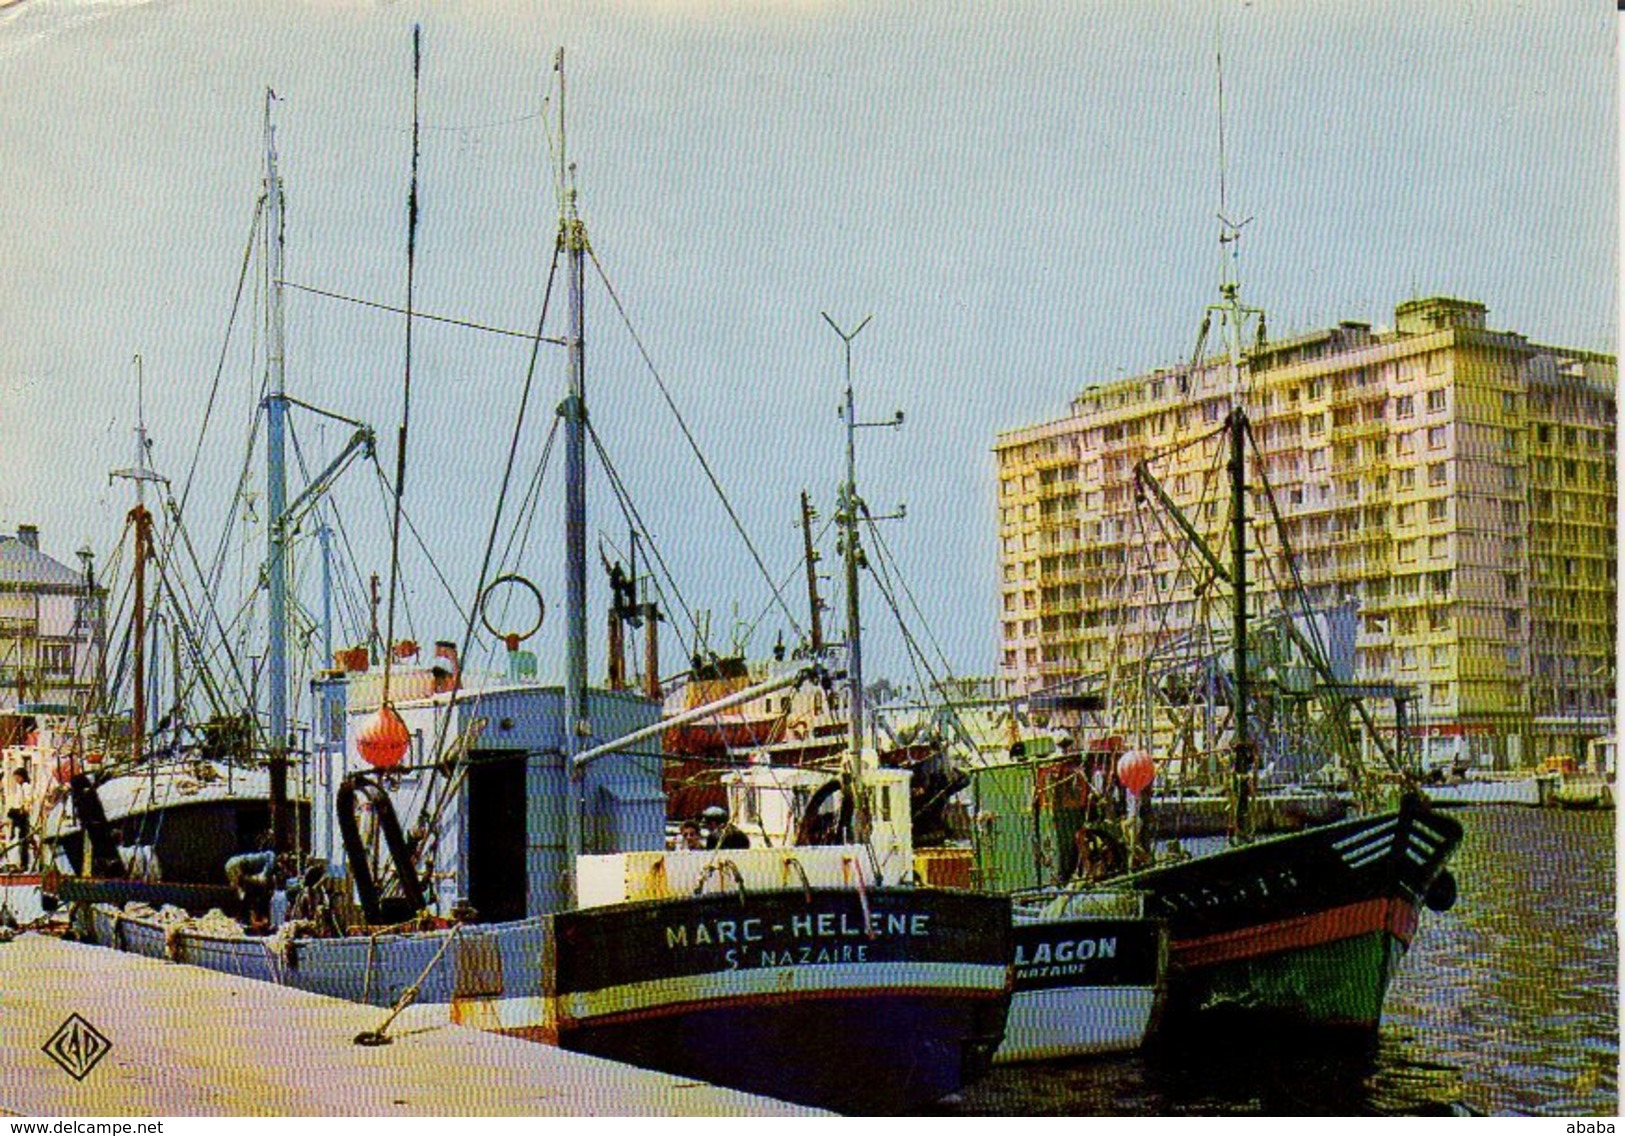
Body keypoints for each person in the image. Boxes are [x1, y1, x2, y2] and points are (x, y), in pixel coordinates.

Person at [5, 767, 32, 870]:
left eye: (17, 777)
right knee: (18, 837)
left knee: (22, 838)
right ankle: (18, 862)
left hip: (22, 814)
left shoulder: (26, 786)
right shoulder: (20, 787)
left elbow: (27, 800)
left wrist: (22, 809)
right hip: (19, 812)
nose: (16, 779)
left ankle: (23, 863)